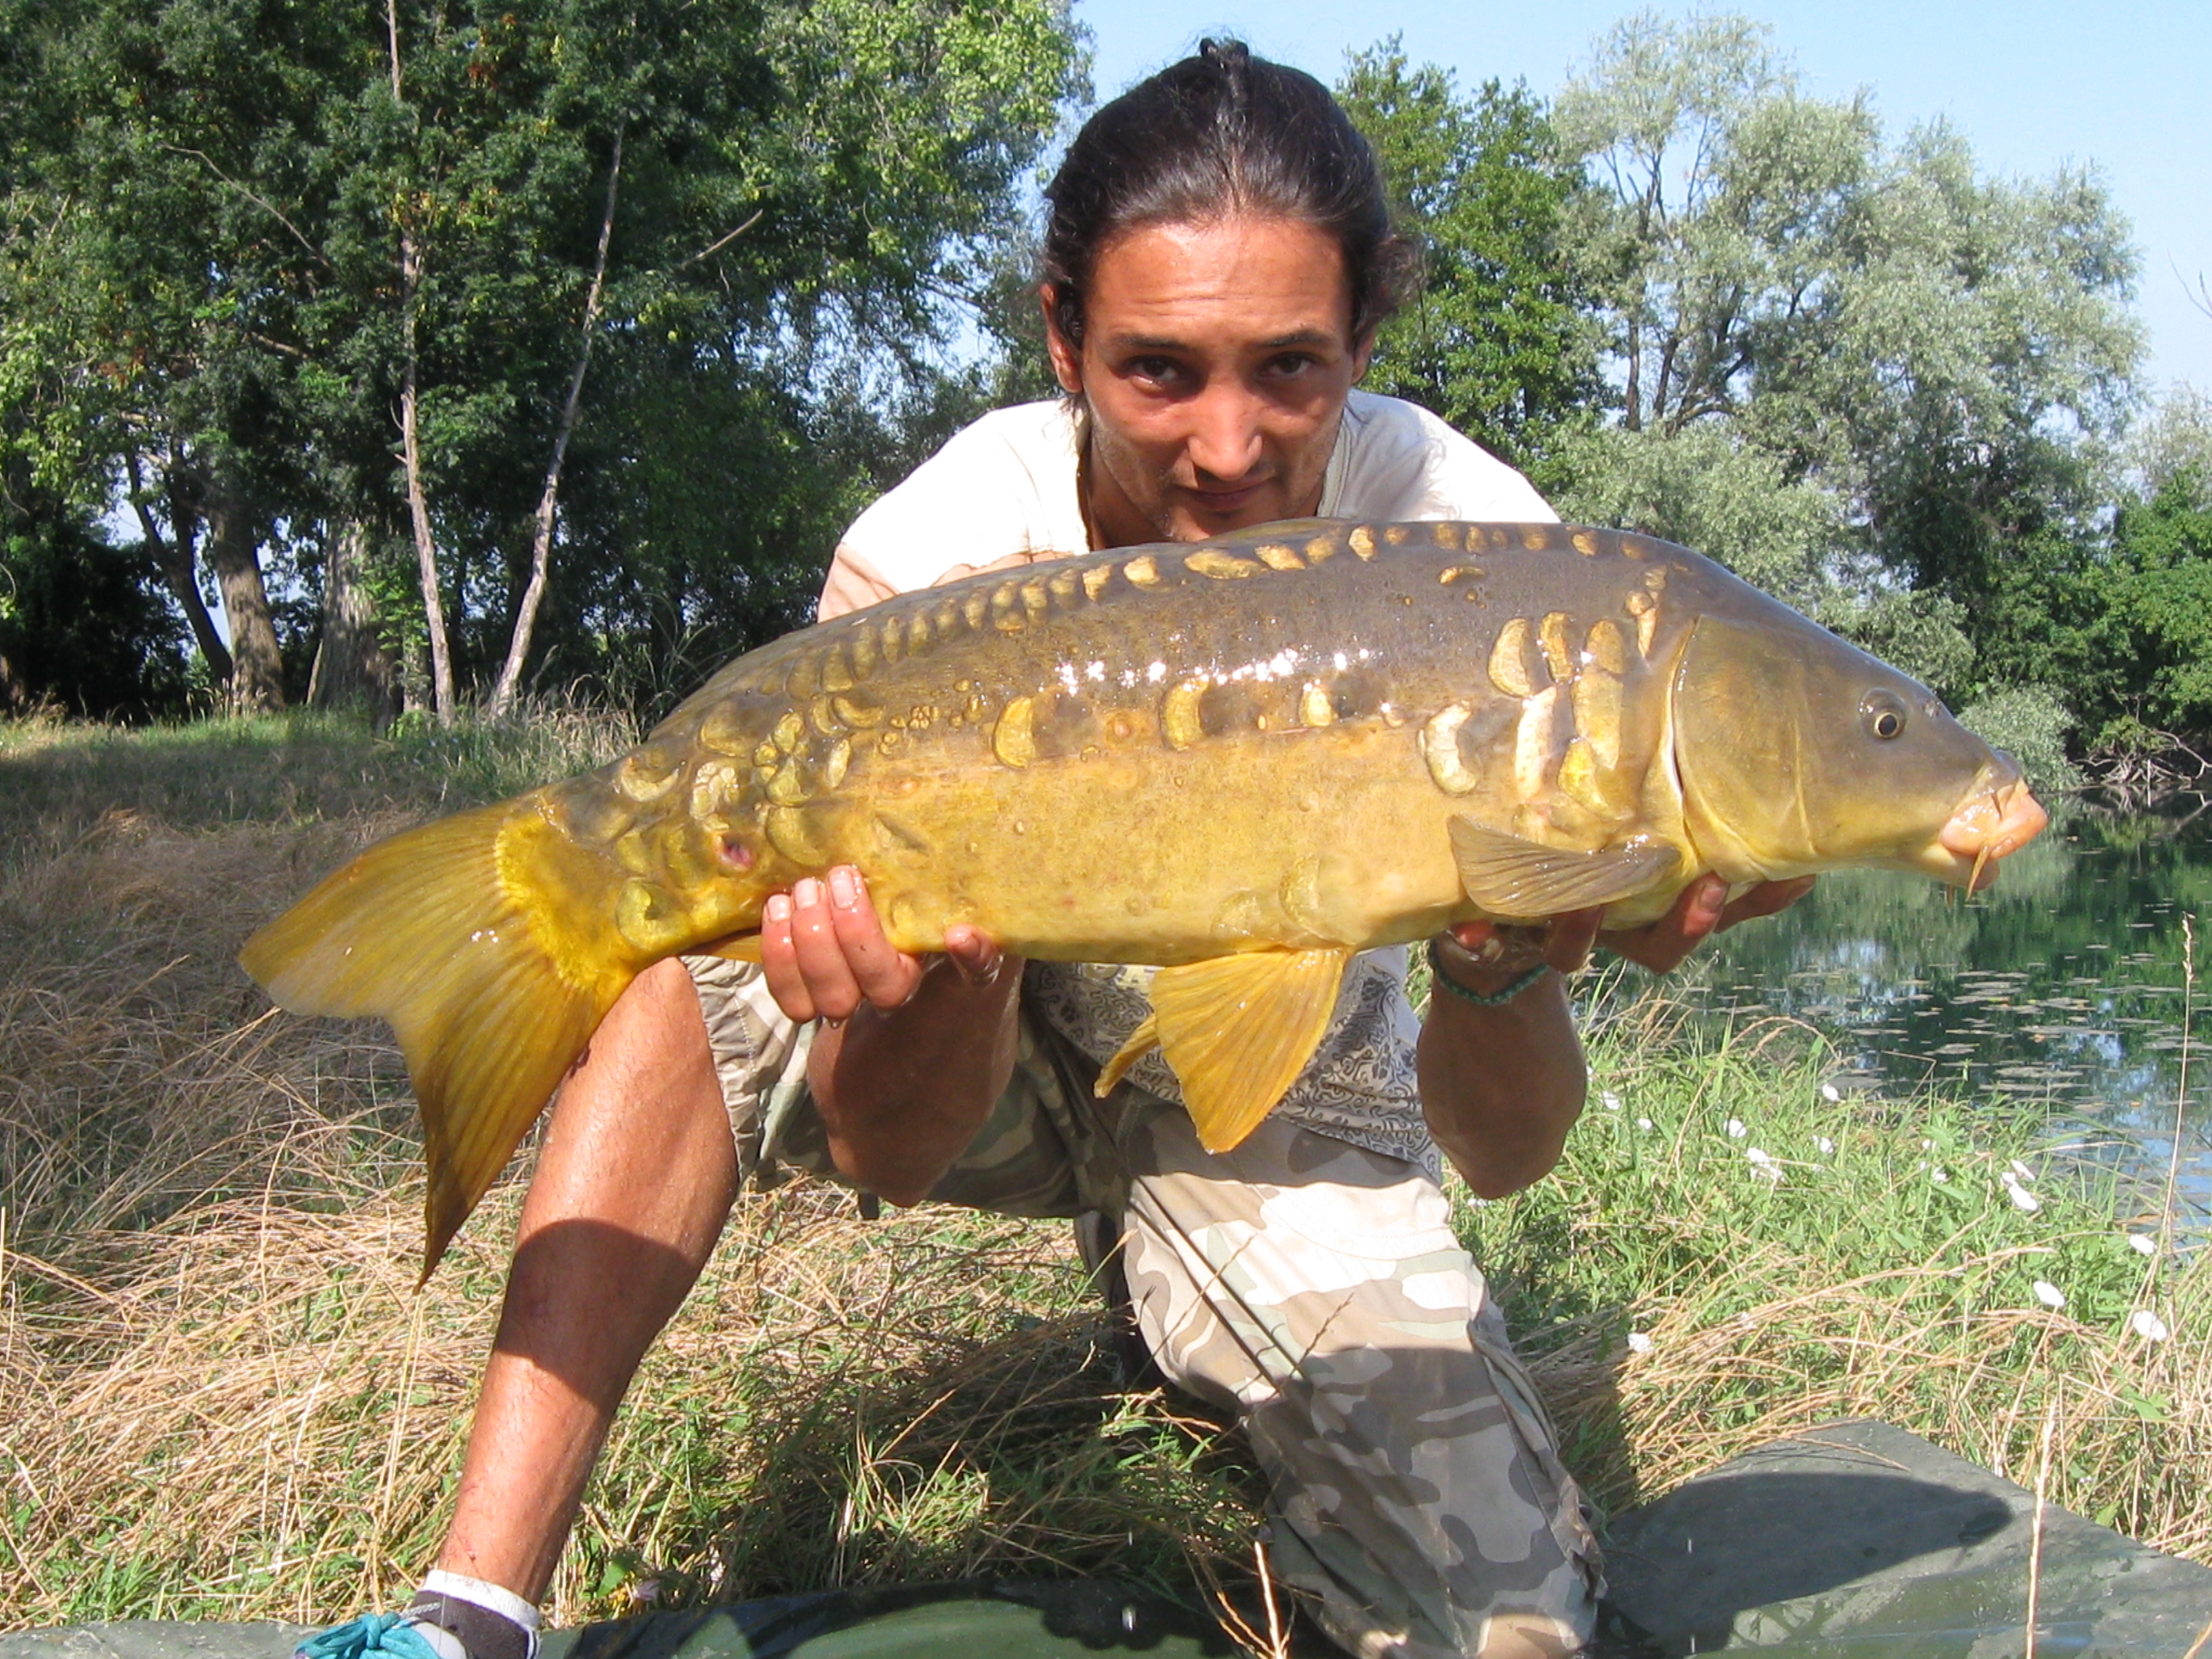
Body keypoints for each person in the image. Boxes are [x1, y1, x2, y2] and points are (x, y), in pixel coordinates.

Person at [303, 41, 1808, 1659]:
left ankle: (1194, 1289)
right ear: (1063, 339)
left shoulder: (1502, 572)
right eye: (1160, 371)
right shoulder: (939, 553)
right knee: (670, 947)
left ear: (1363, 341)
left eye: (1290, 371)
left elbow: (1507, 1152)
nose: (1227, 444)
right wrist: (948, 952)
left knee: (1509, 1620)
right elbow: (886, 1147)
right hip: (985, 1045)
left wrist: (1505, 957)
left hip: (1272, 1076)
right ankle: (474, 1609)